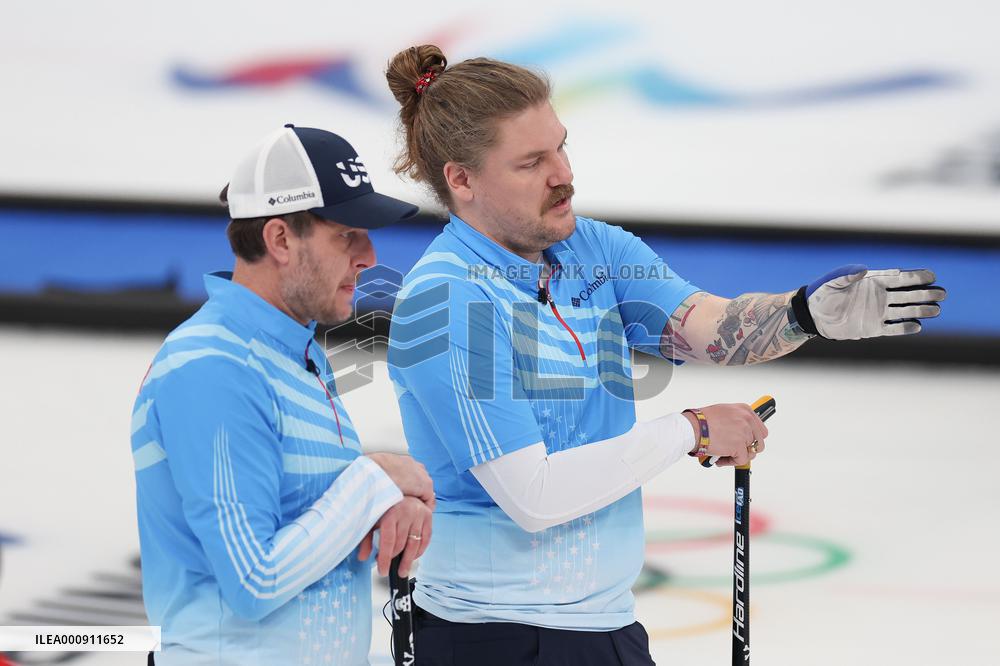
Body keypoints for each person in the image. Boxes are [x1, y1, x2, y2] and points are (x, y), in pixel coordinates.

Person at [382, 46, 946, 665]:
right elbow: (534, 496)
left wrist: (802, 315)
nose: (562, 174)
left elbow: (711, 326)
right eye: (531, 162)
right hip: (496, 634)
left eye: (562, 146)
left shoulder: (591, 247)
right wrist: (692, 431)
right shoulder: (449, 299)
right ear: (461, 179)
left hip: (607, 623)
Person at [130, 124, 435, 666]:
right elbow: (254, 580)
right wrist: (372, 481)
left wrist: (382, 505)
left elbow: (307, 521)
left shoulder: (294, 354)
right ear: (279, 239)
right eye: (348, 234)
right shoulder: (212, 366)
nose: (369, 255)